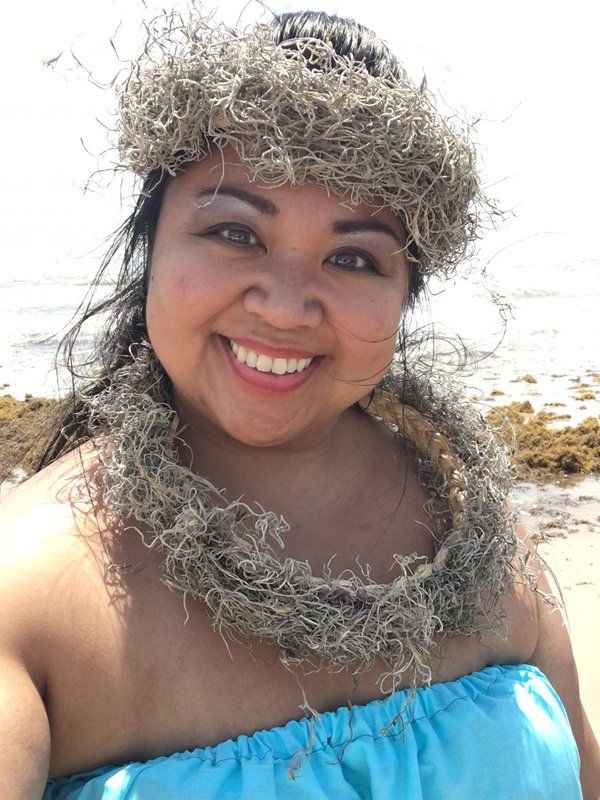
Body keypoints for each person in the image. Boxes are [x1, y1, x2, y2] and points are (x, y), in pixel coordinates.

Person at [1, 9, 598, 799]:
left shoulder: (482, 536)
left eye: (352, 257)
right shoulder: (27, 598)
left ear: (404, 294)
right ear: (153, 245)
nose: (285, 309)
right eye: (235, 234)